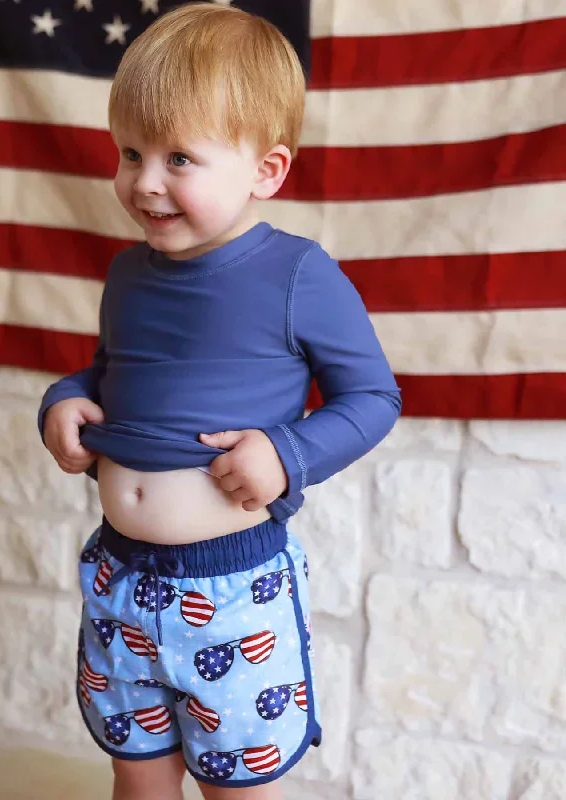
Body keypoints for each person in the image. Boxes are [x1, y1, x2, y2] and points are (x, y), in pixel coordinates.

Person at [38, 4, 401, 798]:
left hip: (233, 593)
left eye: (179, 158)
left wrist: (287, 450)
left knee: (238, 788)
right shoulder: (128, 275)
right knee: (136, 782)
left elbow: (373, 396)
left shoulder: (298, 275)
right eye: (130, 152)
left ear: (266, 170)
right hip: (120, 580)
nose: (145, 181)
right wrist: (65, 402)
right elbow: (110, 374)